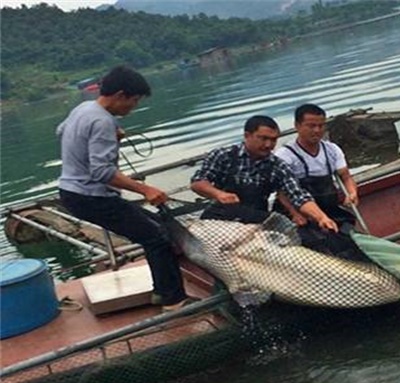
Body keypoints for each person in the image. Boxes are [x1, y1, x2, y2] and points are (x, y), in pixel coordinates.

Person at [57, 65, 193, 312]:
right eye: (134, 100)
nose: (134, 106)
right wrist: (145, 189)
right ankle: (173, 301)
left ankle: (162, 290)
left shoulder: (84, 109)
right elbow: (102, 172)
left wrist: (109, 137)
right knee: (158, 238)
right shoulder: (101, 121)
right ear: (120, 95)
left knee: (159, 227)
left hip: (71, 192)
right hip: (91, 197)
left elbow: (61, 131)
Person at [190, 115, 338, 232]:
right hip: (220, 219)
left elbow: (298, 195)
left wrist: (321, 217)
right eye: (263, 139)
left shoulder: (277, 165)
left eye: (273, 140)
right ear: (247, 135)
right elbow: (198, 182)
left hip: (256, 221)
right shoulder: (224, 155)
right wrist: (218, 194)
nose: (268, 145)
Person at [273, 104, 367, 260]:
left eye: (320, 126)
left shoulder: (332, 150)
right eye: (311, 126)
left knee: (347, 235)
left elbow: (346, 177)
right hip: (297, 213)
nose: (316, 130)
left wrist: (352, 193)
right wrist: (295, 214)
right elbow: (282, 193)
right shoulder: (285, 156)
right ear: (297, 126)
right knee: (314, 242)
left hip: (328, 207)